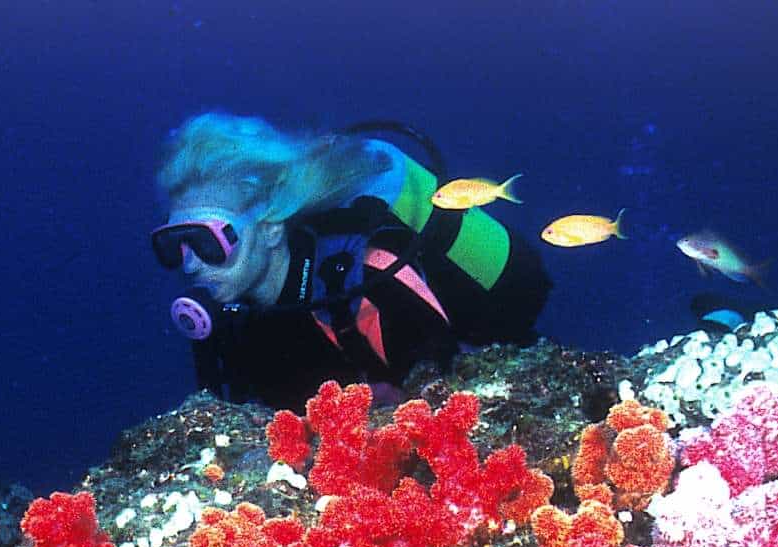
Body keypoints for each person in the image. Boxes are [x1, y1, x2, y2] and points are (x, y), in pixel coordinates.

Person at [153, 112, 555, 410]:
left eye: (206, 242)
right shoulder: (228, 317)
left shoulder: (367, 271)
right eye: (174, 246)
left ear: (271, 227)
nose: (189, 265)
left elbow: (454, 388)